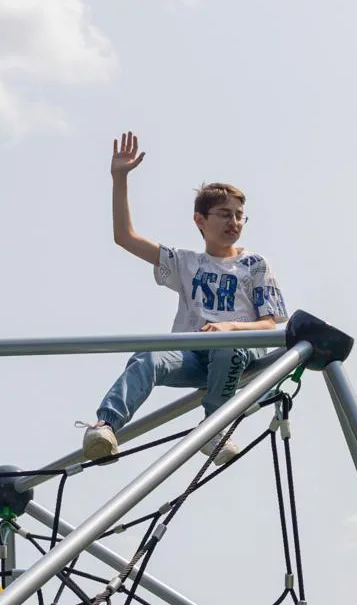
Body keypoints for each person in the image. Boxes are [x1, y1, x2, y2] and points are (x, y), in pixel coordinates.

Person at [79, 131, 289, 465]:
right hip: (194, 355)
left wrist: (230, 328)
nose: (234, 222)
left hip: (238, 351)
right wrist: (120, 178)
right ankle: (106, 426)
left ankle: (215, 427)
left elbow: (270, 323)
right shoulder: (186, 263)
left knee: (227, 348)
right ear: (201, 221)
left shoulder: (254, 265)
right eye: (224, 214)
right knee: (148, 356)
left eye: (239, 215)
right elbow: (125, 237)